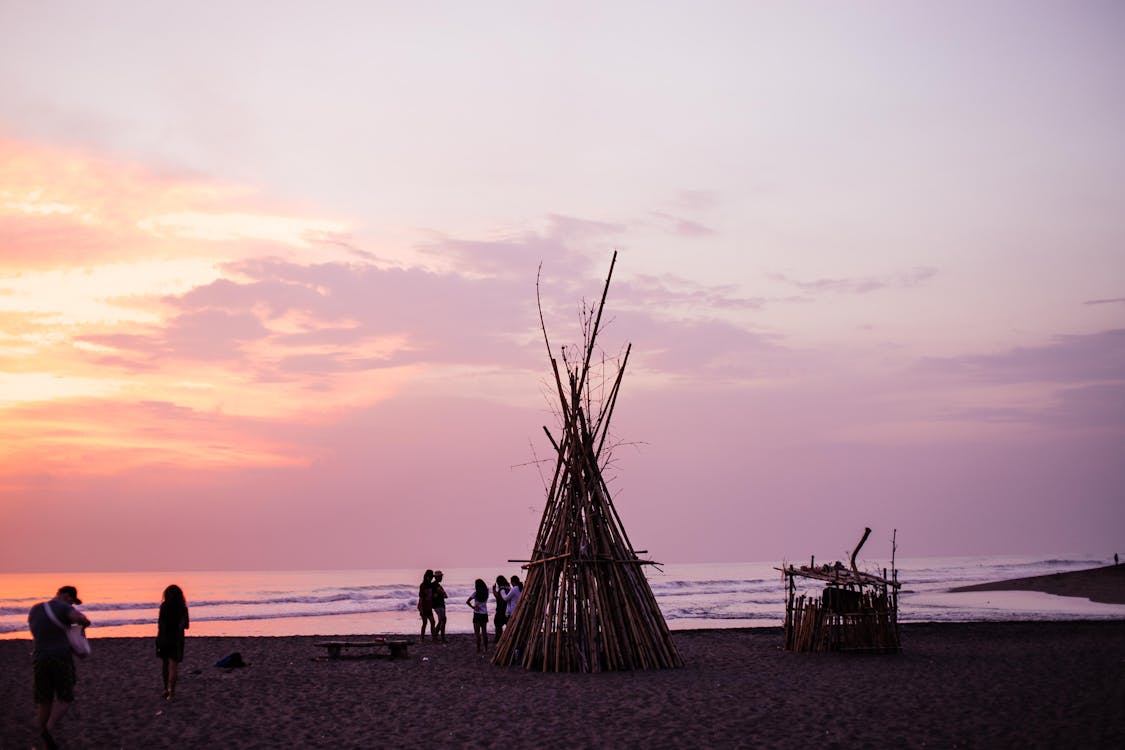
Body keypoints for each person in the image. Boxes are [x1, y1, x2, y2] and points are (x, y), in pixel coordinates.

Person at [28, 585, 90, 750]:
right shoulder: (64, 607)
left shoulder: (35, 609)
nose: (72, 604)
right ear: (65, 595)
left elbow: (36, 632)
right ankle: (47, 730)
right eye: (71, 599)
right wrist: (84, 623)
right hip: (60, 658)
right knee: (65, 697)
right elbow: (79, 618)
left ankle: (41, 734)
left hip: (39, 658)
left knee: (44, 699)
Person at [156, 584, 190, 701]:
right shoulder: (183, 608)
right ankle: (172, 693)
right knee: (173, 666)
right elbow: (186, 626)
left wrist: (159, 639)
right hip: (176, 639)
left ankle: (165, 688)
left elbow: (161, 624)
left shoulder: (164, 606)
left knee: (165, 664)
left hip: (164, 638)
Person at [466, 579, 489, 653]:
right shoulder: (486, 592)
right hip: (484, 614)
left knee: (477, 633)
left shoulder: (475, 593)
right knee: (484, 633)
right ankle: (485, 649)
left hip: (477, 614)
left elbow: (467, 602)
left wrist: (473, 607)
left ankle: (478, 649)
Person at [418, 570, 436, 642]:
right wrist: (421, 609)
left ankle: (433, 638)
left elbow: (432, 596)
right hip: (423, 606)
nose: (431, 578)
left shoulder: (431, 585)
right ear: (426, 576)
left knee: (433, 622)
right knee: (425, 622)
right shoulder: (422, 585)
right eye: (430, 577)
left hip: (429, 606)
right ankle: (422, 638)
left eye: (432, 577)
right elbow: (421, 598)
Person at [492, 575, 511, 642]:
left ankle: (498, 638)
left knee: (498, 624)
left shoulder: (501, 589)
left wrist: (493, 590)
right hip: (508, 609)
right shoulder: (509, 588)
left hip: (501, 609)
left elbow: (498, 597)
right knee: (508, 625)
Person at [431, 570, 448, 644]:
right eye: (440, 576)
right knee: (442, 620)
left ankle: (435, 636)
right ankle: (441, 637)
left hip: (440, 604)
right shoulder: (434, 585)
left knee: (441, 620)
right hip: (438, 605)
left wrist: (440, 593)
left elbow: (445, 595)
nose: (441, 578)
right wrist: (440, 593)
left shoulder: (438, 585)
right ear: (437, 577)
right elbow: (433, 596)